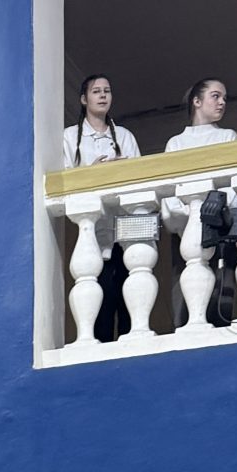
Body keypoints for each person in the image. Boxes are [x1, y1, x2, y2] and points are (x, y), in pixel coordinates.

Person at [62, 75, 142, 342]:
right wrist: (92, 173)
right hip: (93, 234)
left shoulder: (125, 136)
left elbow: (140, 178)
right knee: (100, 305)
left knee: (130, 301)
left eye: (107, 90)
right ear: (84, 99)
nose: (103, 95)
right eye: (96, 91)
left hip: (125, 229)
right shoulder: (70, 137)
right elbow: (66, 181)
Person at [166, 79, 237, 324]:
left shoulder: (227, 137)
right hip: (184, 232)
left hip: (219, 230)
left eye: (224, 98)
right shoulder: (176, 143)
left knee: (221, 297)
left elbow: (233, 186)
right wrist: (190, 213)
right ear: (197, 101)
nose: (222, 102)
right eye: (215, 96)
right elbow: (169, 192)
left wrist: (214, 210)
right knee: (185, 300)